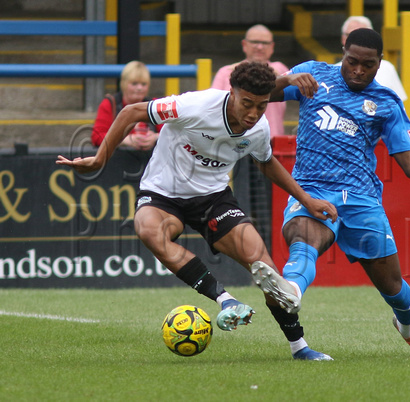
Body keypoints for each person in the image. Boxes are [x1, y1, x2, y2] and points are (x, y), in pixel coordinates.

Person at [57, 62, 339, 360]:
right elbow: (131, 112)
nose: (254, 113)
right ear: (231, 93)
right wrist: (101, 159)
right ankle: (225, 299)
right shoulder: (194, 105)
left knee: (267, 271)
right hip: (163, 194)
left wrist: (307, 201)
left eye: (261, 105)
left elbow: (266, 162)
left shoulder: (259, 128)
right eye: (247, 103)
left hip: (213, 200)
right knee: (148, 228)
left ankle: (300, 347)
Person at [266, 28, 410, 358]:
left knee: (393, 288)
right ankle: (291, 291)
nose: (358, 70)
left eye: (367, 64)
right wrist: (286, 79)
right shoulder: (313, 75)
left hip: (361, 201)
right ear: (342, 52)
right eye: (352, 61)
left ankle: (407, 328)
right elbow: (259, 93)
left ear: (380, 62)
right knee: (304, 243)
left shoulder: (386, 104)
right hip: (312, 193)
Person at [211, 24, 289, 136]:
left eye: (265, 43)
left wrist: (245, 68)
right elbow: (215, 106)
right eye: (255, 42)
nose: (260, 47)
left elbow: (281, 77)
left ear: (272, 47)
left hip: (271, 141)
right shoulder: (224, 72)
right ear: (244, 44)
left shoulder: (280, 69)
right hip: (231, 140)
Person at [92, 61, 161, 150]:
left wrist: (155, 137)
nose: (139, 88)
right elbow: (96, 137)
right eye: (134, 84)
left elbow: (171, 134)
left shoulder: (154, 104)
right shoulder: (109, 104)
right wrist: (124, 140)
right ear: (124, 83)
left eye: (144, 84)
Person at [336, 16, 407, 101]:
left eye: (368, 65)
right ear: (343, 38)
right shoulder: (329, 76)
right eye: (352, 35)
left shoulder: (387, 68)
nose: (359, 71)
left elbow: (398, 103)